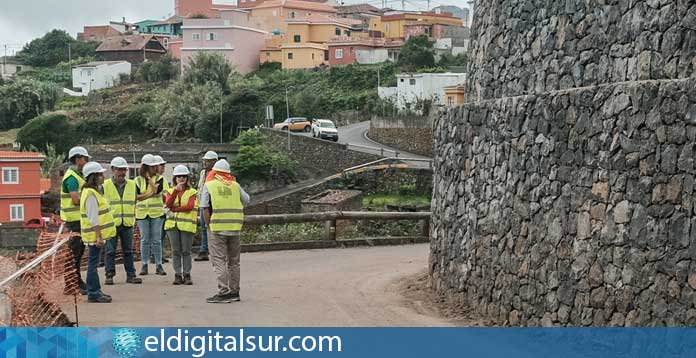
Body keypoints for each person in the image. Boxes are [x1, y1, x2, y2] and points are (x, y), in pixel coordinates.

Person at [200, 159, 250, 303]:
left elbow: (204, 207)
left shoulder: (209, 185)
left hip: (217, 228)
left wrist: (208, 225)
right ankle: (235, 291)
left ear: (215, 173)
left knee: (219, 260)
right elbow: (247, 200)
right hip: (235, 228)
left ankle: (224, 292)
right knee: (234, 262)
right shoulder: (235, 185)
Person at [102, 157, 143, 285]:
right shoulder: (105, 186)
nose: (122, 173)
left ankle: (131, 275)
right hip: (111, 223)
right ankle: (109, 275)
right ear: (113, 170)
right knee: (110, 251)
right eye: (119, 170)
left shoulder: (132, 185)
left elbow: (137, 199)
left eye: (124, 170)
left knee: (128, 251)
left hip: (127, 223)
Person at [80, 162, 115, 303]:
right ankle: (94, 292)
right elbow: (94, 218)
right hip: (94, 236)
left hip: (94, 235)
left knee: (93, 263)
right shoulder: (90, 194)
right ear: (93, 177)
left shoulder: (92, 192)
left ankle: (95, 290)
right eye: (100, 174)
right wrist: (99, 236)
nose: (103, 176)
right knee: (93, 265)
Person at [61, 146, 90, 295]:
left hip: (79, 220)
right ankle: (71, 283)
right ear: (78, 158)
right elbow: (75, 199)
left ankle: (76, 281)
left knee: (78, 253)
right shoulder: (72, 177)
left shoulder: (79, 175)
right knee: (74, 253)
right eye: (85, 158)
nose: (87, 161)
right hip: (74, 221)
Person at [164, 165, 198, 285]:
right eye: (179, 176)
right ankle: (177, 274)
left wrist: (175, 209)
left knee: (186, 251)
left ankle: (187, 274)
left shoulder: (192, 192)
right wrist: (176, 191)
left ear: (187, 178)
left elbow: (189, 207)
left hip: (187, 226)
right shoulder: (170, 191)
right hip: (172, 226)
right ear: (175, 178)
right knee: (175, 251)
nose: (181, 178)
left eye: (183, 176)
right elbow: (168, 204)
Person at [135, 154, 167, 276]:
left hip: (156, 214)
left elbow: (156, 191)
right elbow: (136, 197)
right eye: (152, 166)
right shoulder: (137, 180)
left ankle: (159, 265)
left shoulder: (160, 179)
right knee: (144, 240)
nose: (155, 168)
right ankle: (144, 264)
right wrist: (148, 195)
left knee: (156, 240)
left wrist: (149, 179)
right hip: (142, 214)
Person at [194, 151, 218, 262]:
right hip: (203, 203)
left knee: (212, 227)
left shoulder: (217, 174)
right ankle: (204, 250)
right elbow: (200, 187)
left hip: (212, 204)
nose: (205, 163)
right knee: (203, 227)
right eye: (205, 160)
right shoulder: (203, 173)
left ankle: (211, 250)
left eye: (208, 161)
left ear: (214, 161)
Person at [151, 155, 170, 264]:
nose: (163, 167)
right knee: (157, 235)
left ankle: (159, 255)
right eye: (161, 165)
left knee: (161, 235)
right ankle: (155, 255)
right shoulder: (156, 180)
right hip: (157, 211)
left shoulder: (162, 179)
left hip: (163, 210)